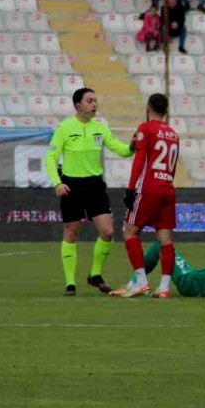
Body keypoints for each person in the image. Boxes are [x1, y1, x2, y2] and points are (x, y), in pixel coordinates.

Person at [46, 88, 135, 296]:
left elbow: (118, 148)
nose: (94, 104)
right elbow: (50, 158)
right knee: (71, 231)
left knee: (108, 232)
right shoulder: (65, 128)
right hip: (71, 185)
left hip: (95, 185)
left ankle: (95, 275)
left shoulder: (100, 128)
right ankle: (70, 283)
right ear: (78, 105)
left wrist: (131, 147)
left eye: (95, 100)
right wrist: (57, 183)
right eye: (90, 100)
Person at [119, 94, 181, 298]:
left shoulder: (145, 128)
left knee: (129, 232)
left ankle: (141, 282)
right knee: (165, 238)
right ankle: (164, 287)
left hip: (149, 188)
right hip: (167, 188)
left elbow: (140, 160)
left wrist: (130, 189)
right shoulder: (173, 134)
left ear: (148, 108)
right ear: (165, 111)